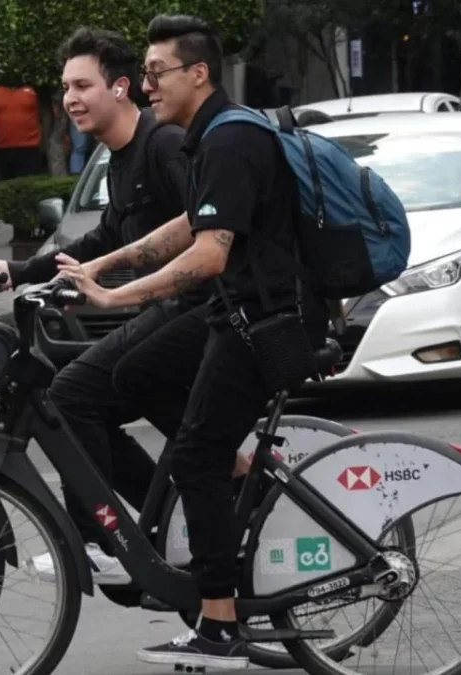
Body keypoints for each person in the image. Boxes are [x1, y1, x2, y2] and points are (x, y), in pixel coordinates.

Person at [58, 14, 320, 670]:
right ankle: (228, 479)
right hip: (242, 316)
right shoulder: (210, 137)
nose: (145, 86)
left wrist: (117, 296)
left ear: (197, 73)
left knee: (194, 460)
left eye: (155, 73)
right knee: (134, 374)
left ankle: (220, 623)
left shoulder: (230, 140)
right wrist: (101, 266)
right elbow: (182, 226)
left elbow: (207, 255)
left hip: (260, 325)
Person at [0, 26, 197, 585]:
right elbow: (101, 237)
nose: (70, 98)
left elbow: (205, 227)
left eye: (82, 85)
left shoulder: (163, 145)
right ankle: (164, 529)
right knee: (95, 404)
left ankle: (98, 542)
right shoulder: (120, 156)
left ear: (122, 87)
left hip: (200, 313)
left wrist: (111, 282)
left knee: (72, 393)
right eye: (65, 87)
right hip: (168, 314)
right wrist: (20, 271)